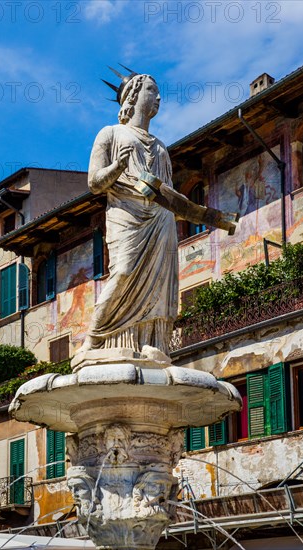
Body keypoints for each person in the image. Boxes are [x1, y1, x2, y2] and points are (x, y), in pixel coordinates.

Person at [78, 73, 178, 359]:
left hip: (160, 218)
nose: (158, 98)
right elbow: (94, 182)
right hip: (126, 213)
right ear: (133, 96)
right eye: (152, 91)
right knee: (123, 272)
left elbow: (169, 191)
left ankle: (152, 342)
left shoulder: (161, 147)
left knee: (159, 283)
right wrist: (117, 168)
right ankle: (95, 340)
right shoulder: (110, 133)